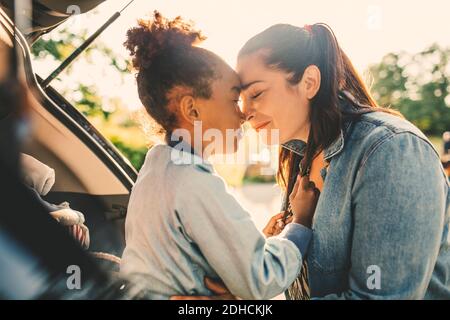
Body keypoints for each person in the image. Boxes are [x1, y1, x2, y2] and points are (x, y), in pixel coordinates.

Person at [182, 23, 450, 300]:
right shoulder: (300, 155)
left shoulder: (391, 150)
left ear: (309, 82)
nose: (244, 113)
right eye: (241, 99)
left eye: (257, 94)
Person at [119, 12, 318, 300]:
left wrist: (253, 243)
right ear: (192, 110)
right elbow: (262, 280)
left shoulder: (157, 168)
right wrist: (300, 223)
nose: (244, 114)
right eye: (233, 99)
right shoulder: (192, 182)